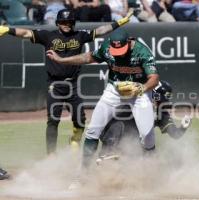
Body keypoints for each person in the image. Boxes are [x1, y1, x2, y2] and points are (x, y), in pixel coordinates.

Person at [0, 9, 133, 155]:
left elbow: (100, 31)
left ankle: (75, 139)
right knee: (53, 120)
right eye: (63, 22)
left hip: (73, 85)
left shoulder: (79, 35)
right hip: (54, 85)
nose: (66, 24)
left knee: (80, 120)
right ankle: (51, 155)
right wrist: (7, 30)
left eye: (69, 22)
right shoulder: (48, 36)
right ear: (57, 23)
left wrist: (119, 22)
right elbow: (26, 33)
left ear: (73, 23)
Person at [46, 29, 159, 169]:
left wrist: (142, 88)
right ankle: (84, 174)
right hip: (114, 89)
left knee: (147, 136)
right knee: (93, 131)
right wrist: (62, 60)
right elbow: (88, 57)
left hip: (139, 91)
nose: (119, 53)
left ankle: (152, 169)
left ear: (129, 42)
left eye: (122, 49)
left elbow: (154, 78)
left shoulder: (142, 52)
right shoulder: (107, 47)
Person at [97, 80, 192, 161]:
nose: (159, 104)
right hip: (113, 138)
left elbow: (175, 134)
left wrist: (183, 127)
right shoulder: (132, 102)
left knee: (153, 157)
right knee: (118, 123)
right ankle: (108, 153)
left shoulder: (161, 113)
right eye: (159, 101)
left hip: (136, 147)